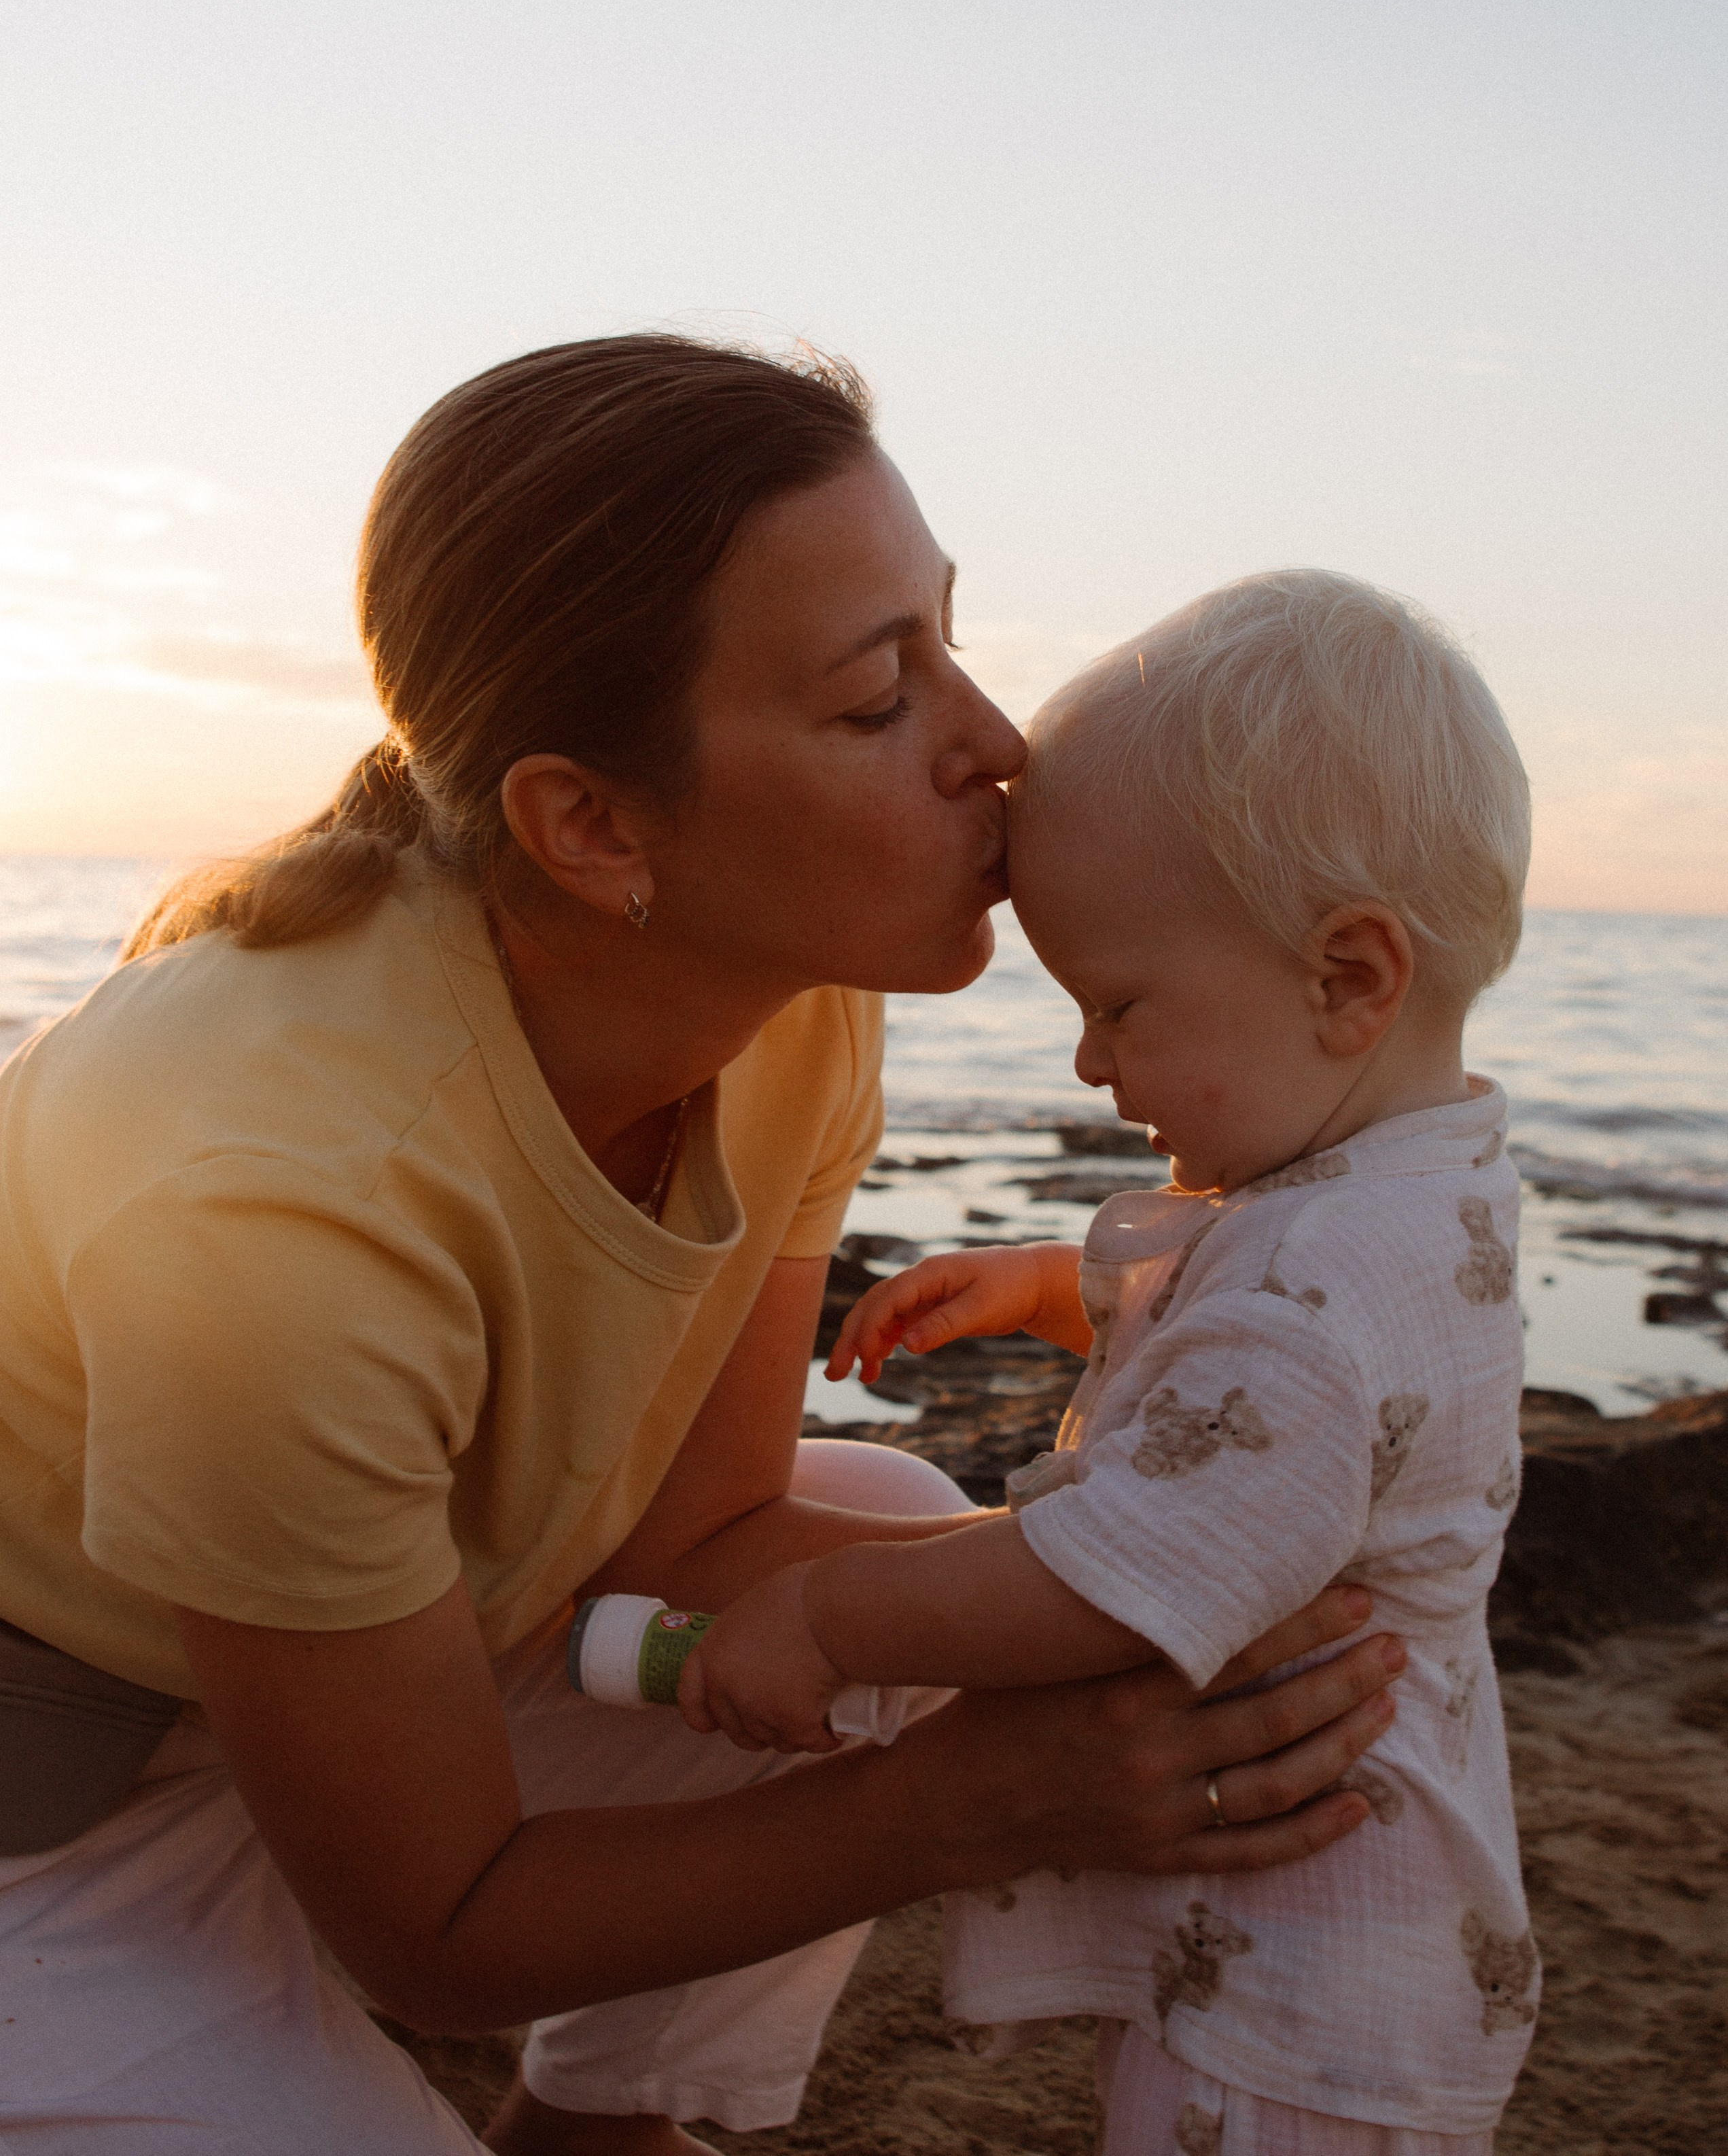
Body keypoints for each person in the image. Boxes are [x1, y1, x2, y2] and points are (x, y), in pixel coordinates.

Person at [0, 343, 1403, 2156]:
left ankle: (602, 2128)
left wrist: (1124, 1599)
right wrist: (971, 1803)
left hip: (367, 1681)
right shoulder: (281, 1210)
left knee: (901, 1547)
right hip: (53, 1801)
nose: (996, 746)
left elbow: (699, 1537)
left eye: (951, 644)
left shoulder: (792, 997)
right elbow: (432, 1931)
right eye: (876, 701)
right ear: (590, 826)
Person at [677, 568, 1537, 2153]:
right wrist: (1061, 1291)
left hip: (1288, 1979)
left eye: (1118, 1003)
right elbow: (1311, 1363)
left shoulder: (1306, 1300)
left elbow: (1104, 1577)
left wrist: (824, 1612)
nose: (1088, 1059)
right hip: (1371, 1952)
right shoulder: (1425, 1179)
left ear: (1349, 977)